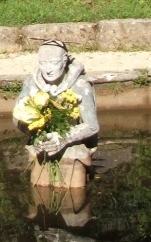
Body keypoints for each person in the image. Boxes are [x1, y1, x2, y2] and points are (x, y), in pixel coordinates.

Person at [13, 40, 98, 188]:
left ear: (64, 61)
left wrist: (63, 138)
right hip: (43, 146)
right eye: (43, 63)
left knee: (75, 194)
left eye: (53, 62)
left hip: (73, 147)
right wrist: (36, 135)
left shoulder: (79, 85)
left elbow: (92, 126)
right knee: (39, 190)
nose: (48, 70)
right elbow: (18, 117)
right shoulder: (32, 83)